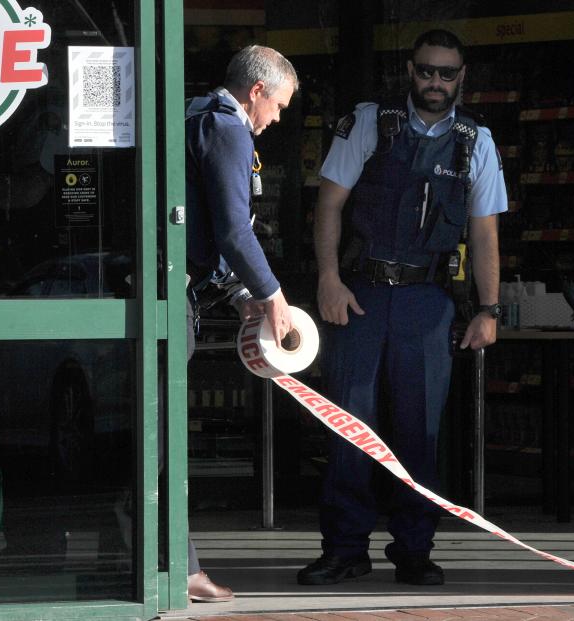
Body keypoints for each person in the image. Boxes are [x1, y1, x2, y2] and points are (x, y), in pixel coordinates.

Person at [299, 29, 506, 587]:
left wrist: (489, 308)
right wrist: (328, 279)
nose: (434, 82)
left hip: (427, 301)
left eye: (446, 73)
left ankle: (414, 548)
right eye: (425, 71)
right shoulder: (371, 122)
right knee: (349, 427)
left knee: (420, 432)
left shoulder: (475, 142)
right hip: (361, 295)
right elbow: (329, 203)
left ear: (461, 77)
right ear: (409, 71)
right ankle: (345, 548)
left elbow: (484, 233)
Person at [184, 44, 298, 602]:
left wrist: (233, 295)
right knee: (164, 443)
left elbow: (199, 228)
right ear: (256, 91)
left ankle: (168, 564)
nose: (276, 119)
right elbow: (232, 229)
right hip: (170, 299)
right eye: (277, 105)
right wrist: (270, 295)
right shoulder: (229, 130)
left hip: (171, 289)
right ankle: (178, 568)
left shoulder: (193, 114)